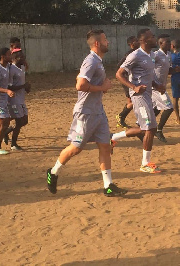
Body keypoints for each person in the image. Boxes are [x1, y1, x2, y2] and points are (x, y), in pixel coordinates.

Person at [47, 29, 127, 197]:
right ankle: (53, 172)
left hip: (98, 111)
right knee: (76, 148)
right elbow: (80, 85)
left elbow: (80, 78)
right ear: (97, 43)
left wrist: (100, 89)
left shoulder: (97, 61)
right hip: (86, 112)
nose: (108, 42)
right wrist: (102, 88)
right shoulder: (91, 61)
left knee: (105, 146)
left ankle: (108, 185)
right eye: (105, 40)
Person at [113, 29, 165, 173]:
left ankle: (113, 137)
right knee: (150, 128)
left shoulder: (151, 55)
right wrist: (134, 87)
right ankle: (145, 164)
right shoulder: (135, 55)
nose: (155, 38)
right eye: (152, 36)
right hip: (139, 96)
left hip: (147, 94)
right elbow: (119, 74)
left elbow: (148, 76)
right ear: (144, 40)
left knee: (145, 128)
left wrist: (157, 85)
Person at [152, 34, 174, 143]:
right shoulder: (155, 55)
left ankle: (143, 125)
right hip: (155, 87)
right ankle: (158, 130)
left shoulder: (168, 55)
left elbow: (168, 70)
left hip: (162, 87)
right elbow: (148, 68)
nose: (170, 44)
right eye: (167, 42)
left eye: (170, 42)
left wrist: (175, 70)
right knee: (169, 107)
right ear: (160, 44)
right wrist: (154, 84)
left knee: (157, 109)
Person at [8, 48, 30, 150]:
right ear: (16, 58)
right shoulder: (11, 69)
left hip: (21, 99)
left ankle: (5, 130)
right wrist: (23, 86)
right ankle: (13, 144)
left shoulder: (21, 67)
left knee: (24, 121)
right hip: (14, 100)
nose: (24, 58)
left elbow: (22, 83)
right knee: (19, 121)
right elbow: (9, 87)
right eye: (22, 57)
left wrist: (26, 88)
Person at [116, 36, 140, 128]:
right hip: (127, 81)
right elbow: (119, 66)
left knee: (131, 102)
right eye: (136, 41)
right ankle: (121, 116)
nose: (139, 42)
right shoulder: (130, 54)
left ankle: (121, 118)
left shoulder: (139, 53)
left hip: (131, 81)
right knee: (133, 101)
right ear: (132, 44)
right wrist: (126, 76)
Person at [171, 39, 180, 124]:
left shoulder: (170, 56)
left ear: (172, 46)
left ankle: (178, 118)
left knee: (175, 99)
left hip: (175, 79)